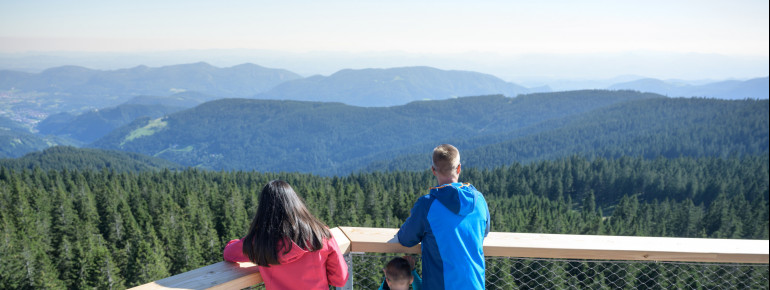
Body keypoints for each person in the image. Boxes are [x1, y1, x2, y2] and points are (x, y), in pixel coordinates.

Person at [223, 180, 348, 289]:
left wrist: (244, 242)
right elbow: (340, 279)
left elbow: (229, 253)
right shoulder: (320, 235)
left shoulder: (260, 242)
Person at [396, 144, 490, 289]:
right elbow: (484, 232)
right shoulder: (479, 201)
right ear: (459, 168)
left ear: (433, 170)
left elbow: (406, 239)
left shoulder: (427, 205)